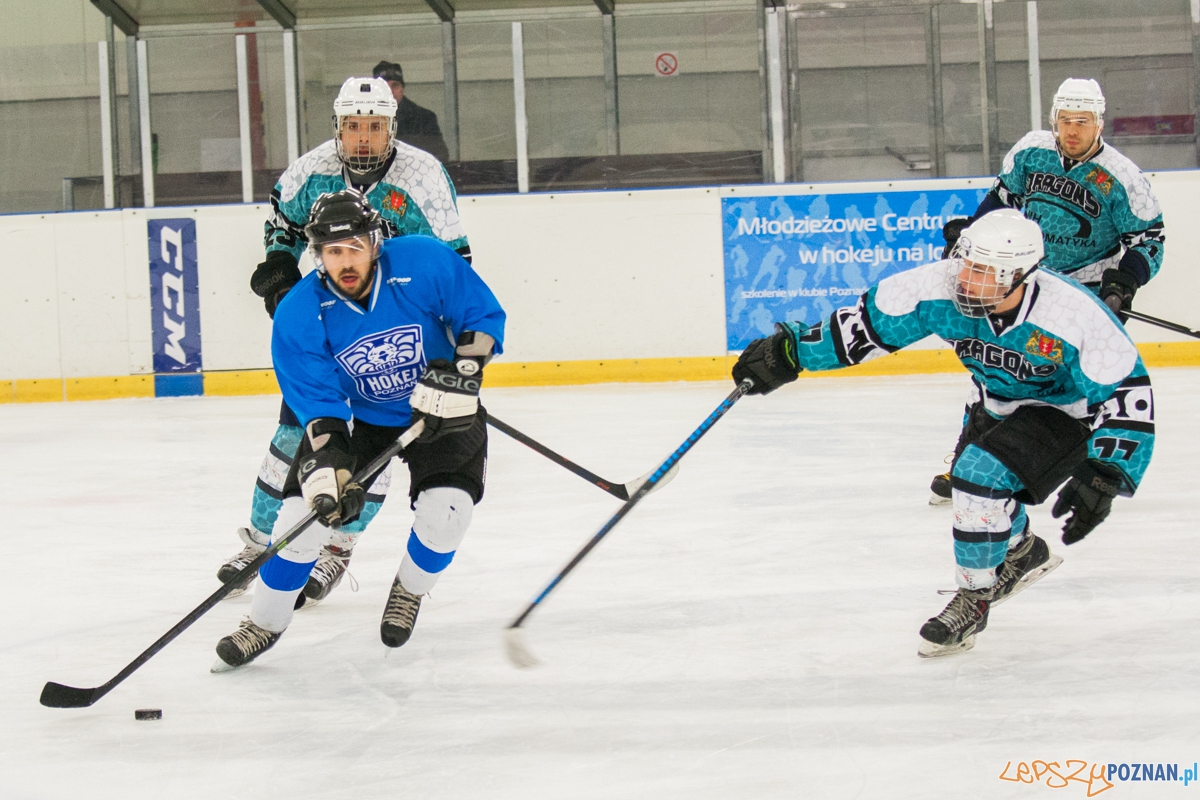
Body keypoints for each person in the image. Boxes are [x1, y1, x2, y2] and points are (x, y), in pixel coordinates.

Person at [732, 209, 1155, 658]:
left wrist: (1108, 472)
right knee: (984, 494)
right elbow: (866, 326)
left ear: (1019, 277)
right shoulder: (939, 287)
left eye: (983, 272)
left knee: (975, 478)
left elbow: (1128, 393)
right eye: (965, 263)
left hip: (1067, 414)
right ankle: (1021, 550)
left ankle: (974, 597)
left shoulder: (1072, 315)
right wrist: (790, 352)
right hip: (996, 402)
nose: (966, 279)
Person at [213, 189, 505, 670]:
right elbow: (319, 404)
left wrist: (465, 371)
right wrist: (328, 463)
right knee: (299, 518)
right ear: (318, 255)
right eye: (331, 252)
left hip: (439, 406)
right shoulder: (300, 313)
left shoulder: (423, 261)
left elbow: (480, 314)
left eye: (353, 248)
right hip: (360, 420)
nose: (344, 262)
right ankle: (264, 623)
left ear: (375, 242)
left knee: (448, 511)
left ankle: (408, 591)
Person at [218, 76, 471, 607]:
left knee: (376, 449)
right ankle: (261, 542)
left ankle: (338, 544)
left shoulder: (423, 178)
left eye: (373, 128)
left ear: (391, 128)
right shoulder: (310, 172)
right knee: (294, 439)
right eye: (353, 126)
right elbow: (281, 230)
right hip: (332, 331)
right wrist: (281, 272)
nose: (362, 138)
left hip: (400, 343)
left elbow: (455, 269)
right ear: (338, 127)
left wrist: (444, 359)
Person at [930, 77, 1164, 503]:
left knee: (1082, 382)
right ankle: (968, 457)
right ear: (1053, 119)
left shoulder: (1122, 177)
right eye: (1064, 120)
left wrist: (1123, 282)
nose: (1071, 130)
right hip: (1029, 281)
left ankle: (1095, 467)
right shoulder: (1030, 151)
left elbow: (1149, 239)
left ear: (1099, 122)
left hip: (1088, 288)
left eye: (1082, 121)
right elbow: (1002, 198)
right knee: (994, 363)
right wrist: (974, 233)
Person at [373, 60, 451, 164]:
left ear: (402, 89)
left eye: (395, 85)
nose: (390, 91)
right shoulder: (361, 119)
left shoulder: (424, 118)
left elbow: (440, 156)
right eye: (384, 87)